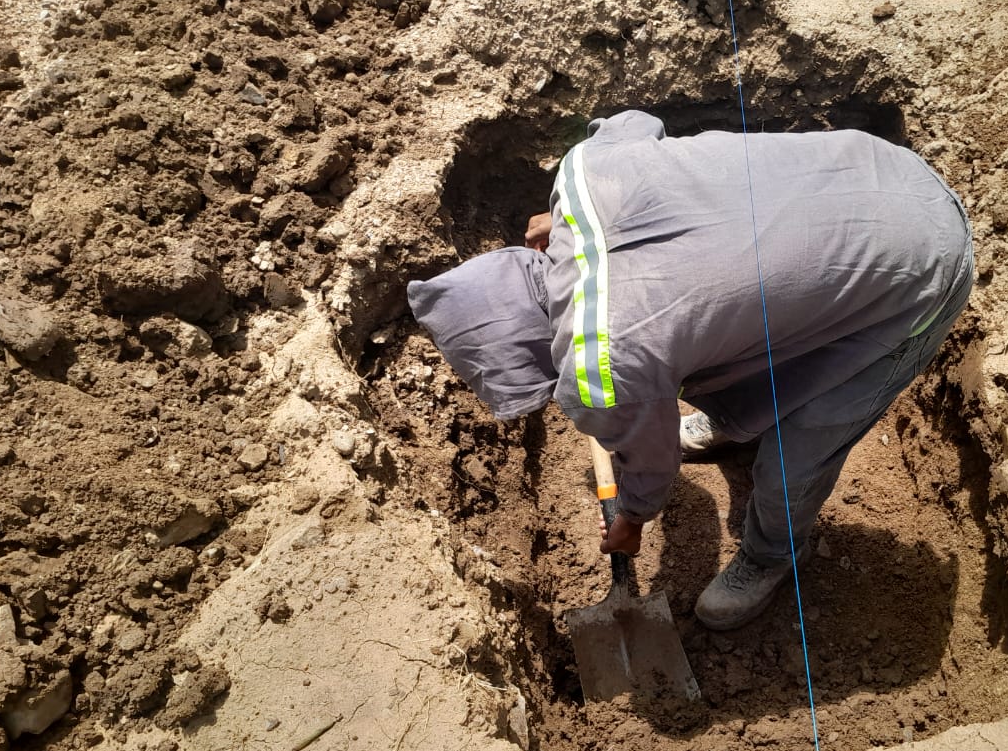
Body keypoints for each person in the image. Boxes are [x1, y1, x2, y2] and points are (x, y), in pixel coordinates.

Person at [407, 110, 973, 632]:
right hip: (872, 170)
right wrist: (561, 221)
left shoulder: (598, 369)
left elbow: (654, 465)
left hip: (917, 271)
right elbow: (633, 122)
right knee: (736, 328)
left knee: (799, 452)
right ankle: (733, 425)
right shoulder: (581, 173)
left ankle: (771, 556)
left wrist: (631, 519)